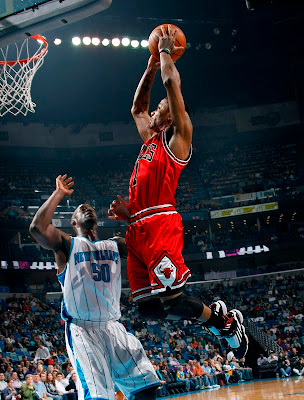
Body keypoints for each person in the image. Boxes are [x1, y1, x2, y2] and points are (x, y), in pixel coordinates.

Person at [108, 24, 248, 357]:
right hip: (139, 225)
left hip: (160, 224)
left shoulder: (178, 139)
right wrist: (150, 66)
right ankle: (215, 317)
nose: (156, 111)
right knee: (146, 309)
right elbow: (136, 109)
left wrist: (166, 52)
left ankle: (224, 322)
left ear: (171, 117)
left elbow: (172, 84)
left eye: (163, 109)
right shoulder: (149, 140)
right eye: (158, 108)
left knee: (173, 300)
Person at [29, 175, 160, 400]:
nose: (87, 209)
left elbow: (149, 242)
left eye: (90, 208)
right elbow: (37, 228)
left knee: (147, 387)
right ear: (73, 222)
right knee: (98, 396)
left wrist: (131, 217)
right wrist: (58, 193)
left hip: (113, 326)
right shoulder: (67, 244)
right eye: (81, 209)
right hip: (82, 330)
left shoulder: (116, 244)